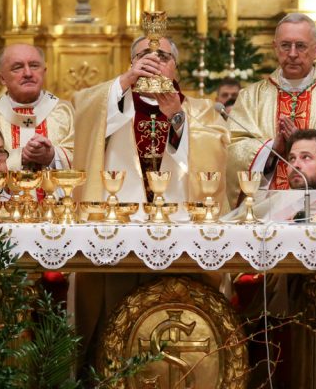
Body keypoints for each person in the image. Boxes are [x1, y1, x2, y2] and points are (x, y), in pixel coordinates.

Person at [72, 35, 229, 362]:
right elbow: (85, 117)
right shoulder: (112, 100)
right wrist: (125, 81)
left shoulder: (201, 110)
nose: (154, 61)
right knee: (112, 306)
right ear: (132, 63)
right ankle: (106, 370)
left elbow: (214, 156)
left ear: (176, 67)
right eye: (144, 55)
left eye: (163, 57)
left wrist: (177, 116)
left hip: (180, 225)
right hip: (119, 224)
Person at [227, 13, 316, 208]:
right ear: (275, 47)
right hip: (265, 209)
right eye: (285, 45)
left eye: (301, 46)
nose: (293, 54)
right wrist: (270, 149)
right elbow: (232, 149)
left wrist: (308, 145)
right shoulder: (249, 98)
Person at [0, 44, 74, 171]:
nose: (28, 73)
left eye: (34, 66)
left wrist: (53, 155)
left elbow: (88, 159)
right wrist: (19, 157)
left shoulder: (68, 113)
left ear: (44, 72)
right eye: (17, 68)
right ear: (2, 78)